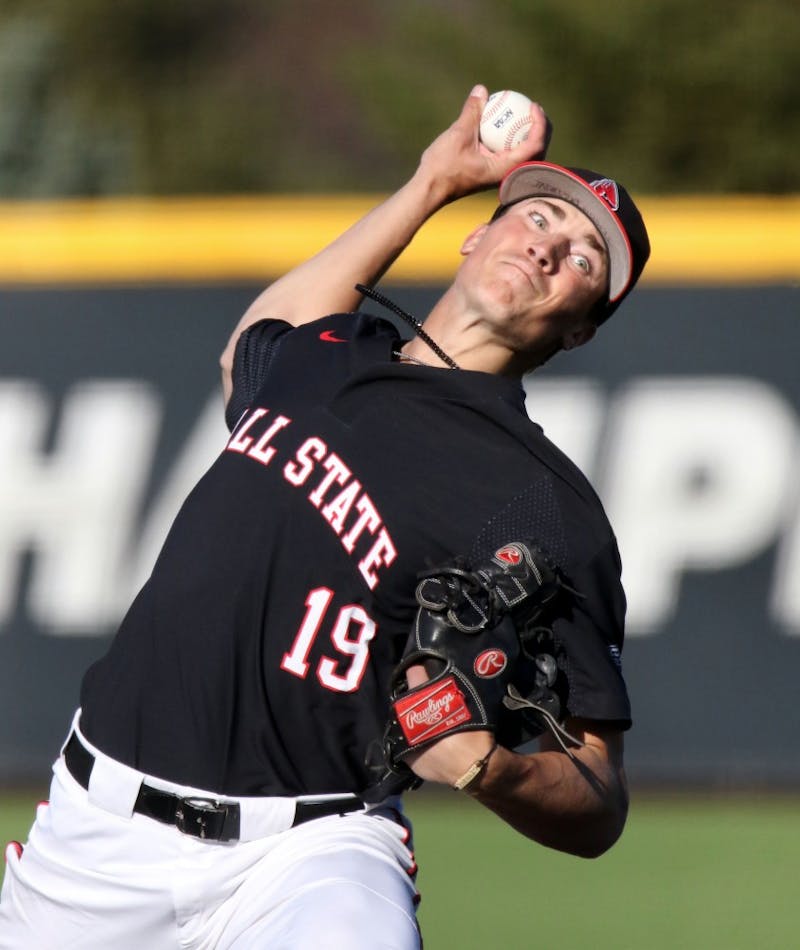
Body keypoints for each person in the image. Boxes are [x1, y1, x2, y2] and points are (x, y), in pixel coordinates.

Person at [0, 83, 649, 948]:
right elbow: (247, 343)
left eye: (582, 259)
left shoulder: (549, 507)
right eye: (537, 220)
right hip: (96, 839)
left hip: (313, 852)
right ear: (477, 233)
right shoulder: (325, 354)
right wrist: (428, 183)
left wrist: (494, 770)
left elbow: (598, 794)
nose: (549, 248)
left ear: (580, 332)